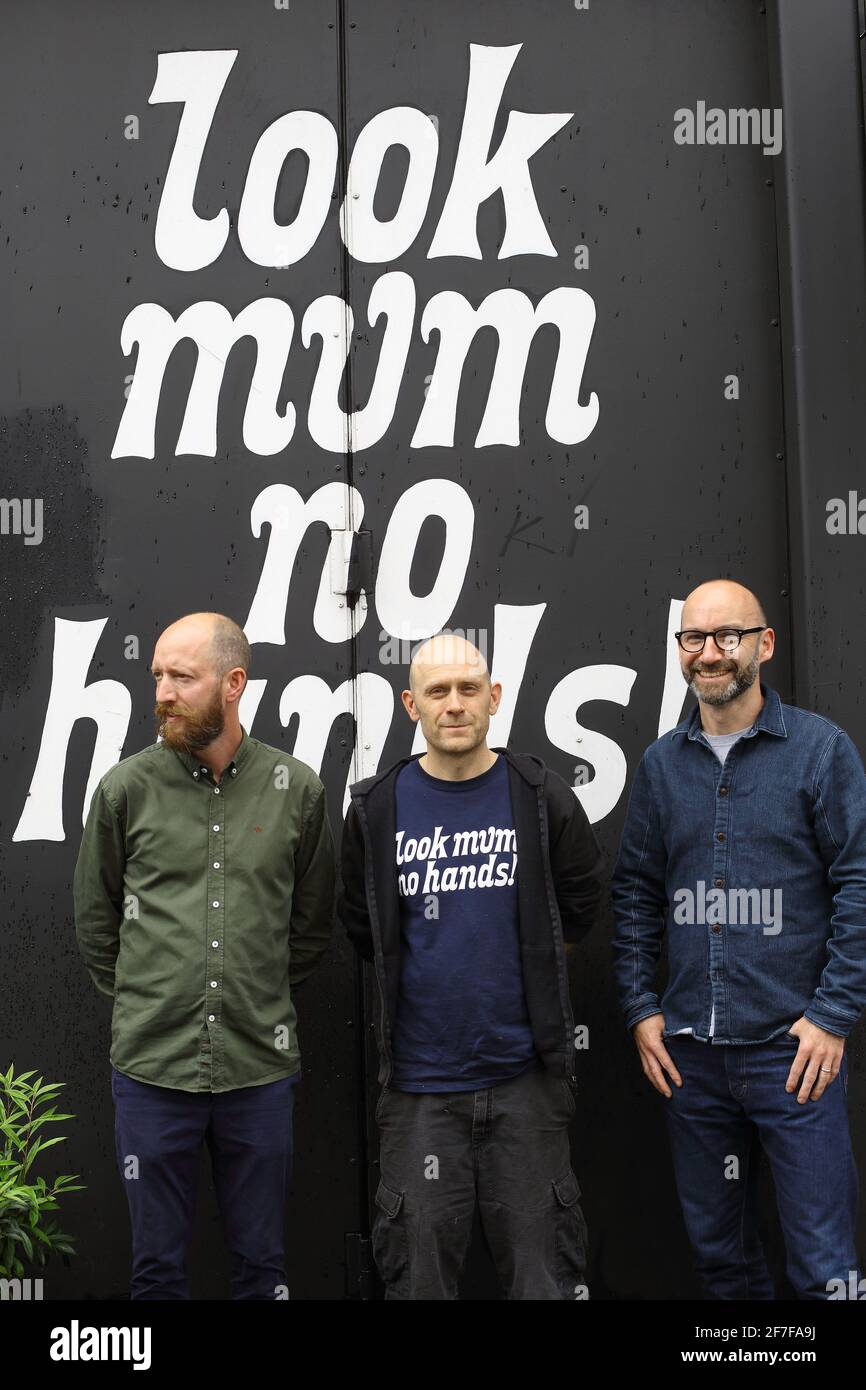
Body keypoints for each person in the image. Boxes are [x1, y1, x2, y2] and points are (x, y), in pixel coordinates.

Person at [611, 579, 866, 1299]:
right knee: (723, 1265)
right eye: (694, 638)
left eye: (727, 636)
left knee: (826, 1270)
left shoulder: (821, 753)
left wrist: (832, 1015)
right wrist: (639, 1007)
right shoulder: (663, 765)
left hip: (795, 1057)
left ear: (765, 644)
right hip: (692, 1060)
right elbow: (632, 892)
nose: (709, 653)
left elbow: (859, 882)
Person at [73, 612, 335, 1299]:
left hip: (259, 1070)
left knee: (262, 1270)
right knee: (155, 1274)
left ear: (233, 683)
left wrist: (253, 995)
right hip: (152, 1070)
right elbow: (97, 923)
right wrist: (151, 996)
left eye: (181, 677)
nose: (161, 690)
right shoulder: (126, 790)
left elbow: (309, 929)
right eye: (156, 674)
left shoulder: (297, 791)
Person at [338, 632, 604, 1299]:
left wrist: (533, 967)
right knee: (419, 1283)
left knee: (543, 1283)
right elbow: (362, 928)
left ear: (494, 697)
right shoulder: (375, 810)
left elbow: (578, 905)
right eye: (436, 691)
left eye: (467, 690)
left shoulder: (539, 796)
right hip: (419, 1094)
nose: (453, 705)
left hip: (527, 1086)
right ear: (411, 705)